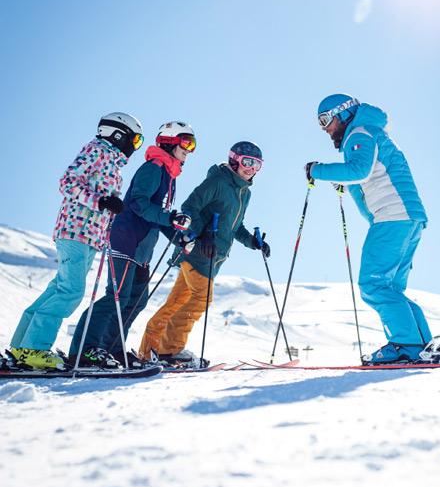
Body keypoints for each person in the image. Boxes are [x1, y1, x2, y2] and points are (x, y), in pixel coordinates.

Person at [305, 94, 440, 365]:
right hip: (407, 218)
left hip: (393, 218)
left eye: (325, 120)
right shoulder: (369, 131)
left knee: (373, 284)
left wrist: (318, 170)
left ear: (343, 113)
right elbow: (370, 176)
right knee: (390, 288)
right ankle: (422, 345)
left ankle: (406, 345)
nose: (325, 129)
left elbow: (359, 170)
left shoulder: (360, 132)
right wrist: (346, 183)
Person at [9, 112, 144, 370]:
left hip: (89, 236)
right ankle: (35, 348)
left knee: (57, 289)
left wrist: (108, 221)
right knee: (70, 292)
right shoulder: (98, 150)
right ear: (118, 134)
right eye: (134, 139)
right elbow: (68, 182)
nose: (134, 146)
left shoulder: (114, 166)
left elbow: (105, 204)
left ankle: (21, 347)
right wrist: (101, 201)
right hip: (76, 231)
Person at [68, 122, 196, 368]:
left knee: (136, 300)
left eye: (192, 144)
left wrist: (179, 236)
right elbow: (138, 204)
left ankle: (113, 349)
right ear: (169, 141)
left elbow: (160, 213)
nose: (189, 149)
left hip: (143, 248)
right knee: (116, 298)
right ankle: (84, 350)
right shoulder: (153, 168)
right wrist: (169, 218)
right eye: (186, 142)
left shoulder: (169, 175)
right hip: (128, 240)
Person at [138, 141, 270, 366]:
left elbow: (235, 226)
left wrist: (253, 242)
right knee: (202, 298)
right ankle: (170, 350)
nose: (252, 169)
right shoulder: (218, 181)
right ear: (234, 160)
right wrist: (200, 235)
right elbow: (190, 207)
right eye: (248, 162)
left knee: (177, 302)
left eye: (258, 165)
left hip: (213, 257)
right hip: (197, 250)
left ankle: (149, 349)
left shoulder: (244, 193)